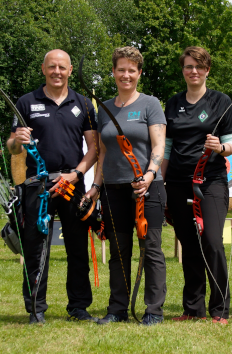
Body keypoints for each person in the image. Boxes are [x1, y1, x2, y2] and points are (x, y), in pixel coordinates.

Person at [7, 49, 99, 324]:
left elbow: (94, 148)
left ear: (70, 70)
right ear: (43, 69)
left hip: (72, 185)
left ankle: (79, 308)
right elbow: (12, 147)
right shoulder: (26, 102)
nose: (57, 72)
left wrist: (77, 174)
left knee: (78, 248)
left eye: (62, 67)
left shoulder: (83, 104)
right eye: (52, 67)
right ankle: (36, 309)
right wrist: (17, 141)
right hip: (39, 186)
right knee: (36, 249)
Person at [84, 46, 167, 326]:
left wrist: (150, 174)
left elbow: (158, 145)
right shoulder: (104, 109)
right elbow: (102, 153)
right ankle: (117, 309)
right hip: (113, 191)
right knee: (119, 252)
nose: (126, 75)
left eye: (132, 70)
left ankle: (153, 310)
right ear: (113, 72)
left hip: (146, 189)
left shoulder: (150, 104)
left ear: (139, 73)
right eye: (121, 69)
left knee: (151, 250)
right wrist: (96, 187)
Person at [162, 46, 232, 325]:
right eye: (188, 66)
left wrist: (220, 147)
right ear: (183, 70)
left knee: (212, 242)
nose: (193, 71)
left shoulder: (221, 101)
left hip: (211, 180)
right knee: (189, 244)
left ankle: (220, 308)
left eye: (199, 66)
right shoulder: (172, 103)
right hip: (178, 182)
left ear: (207, 70)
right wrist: (161, 182)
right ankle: (193, 308)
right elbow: (167, 148)